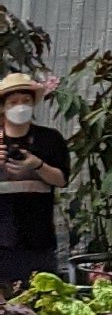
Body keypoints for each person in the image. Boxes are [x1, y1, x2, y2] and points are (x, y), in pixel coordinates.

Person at [0, 72, 68, 297]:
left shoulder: (50, 139)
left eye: (26, 101)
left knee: (43, 303)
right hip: (2, 242)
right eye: (13, 102)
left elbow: (62, 179)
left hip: (39, 240)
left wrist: (37, 164)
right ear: (3, 107)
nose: (20, 106)